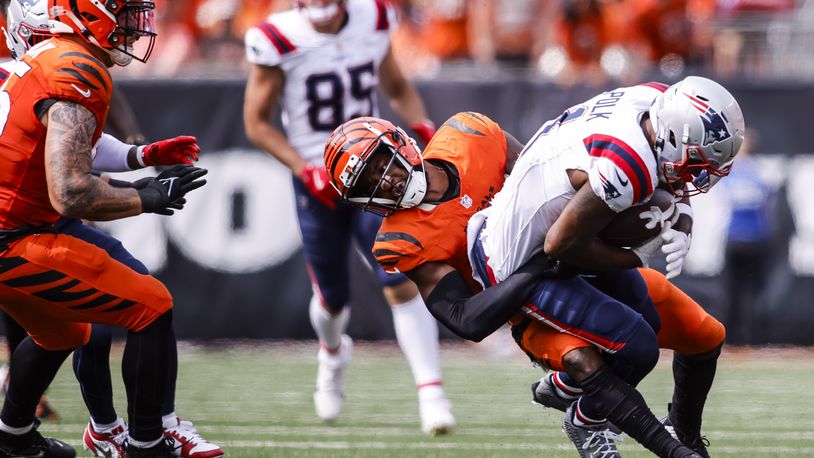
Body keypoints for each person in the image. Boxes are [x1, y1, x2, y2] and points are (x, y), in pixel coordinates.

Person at [324, 76, 743, 457]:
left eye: (383, 165)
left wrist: (630, 227)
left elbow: (539, 172)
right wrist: (545, 261)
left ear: (401, 143)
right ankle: (594, 414)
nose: (386, 182)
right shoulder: (403, 239)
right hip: (523, 301)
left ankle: (657, 425)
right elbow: (466, 319)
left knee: (704, 334)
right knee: (612, 353)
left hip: (573, 260)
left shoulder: (466, 135)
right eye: (369, 184)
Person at [0, 2, 225, 457]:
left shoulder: (51, 58)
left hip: (17, 227)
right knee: (151, 304)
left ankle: (13, 438)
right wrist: (146, 197)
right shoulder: (76, 66)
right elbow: (70, 193)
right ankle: (146, 445)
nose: (134, 26)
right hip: (12, 238)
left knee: (65, 333)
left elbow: (70, 144)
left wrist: (141, 163)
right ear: (87, 14)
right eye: (123, 14)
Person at [243, 0, 455, 434]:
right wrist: (304, 167)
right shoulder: (278, 37)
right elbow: (256, 123)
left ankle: (431, 392)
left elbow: (395, 86)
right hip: (316, 179)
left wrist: (422, 126)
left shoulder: (373, 15)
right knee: (332, 297)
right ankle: (332, 352)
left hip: (375, 176)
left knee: (401, 275)